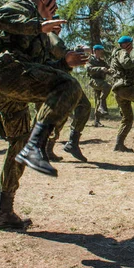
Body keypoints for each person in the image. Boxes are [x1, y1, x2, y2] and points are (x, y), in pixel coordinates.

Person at [0, 0, 87, 230]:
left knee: (18, 144)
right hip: (7, 73)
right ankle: (37, 145)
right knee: (70, 87)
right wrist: (38, 25)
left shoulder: (43, 36)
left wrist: (66, 62)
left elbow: (44, 71)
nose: (56, 6)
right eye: (54, 0)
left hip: (16, 85)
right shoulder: (22, 6)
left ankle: (4, 213)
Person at [42, 17, 91, 163]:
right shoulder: (50, 36)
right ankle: (48, 147)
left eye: (59, 26)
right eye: (56, 24)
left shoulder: (48, 37)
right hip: (55, 81)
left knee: (62, 113)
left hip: (58, 80)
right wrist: (80, 50)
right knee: (58, 114)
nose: (58, 27)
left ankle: (64, 145)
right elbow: (62, 53)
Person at [86, 44, 112, 127]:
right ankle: (102, 104)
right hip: (93, 80)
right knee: (107, 86)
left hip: (100, 81)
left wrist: (112, 71)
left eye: (101, 51)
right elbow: (89, 69)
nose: (101, 53)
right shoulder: (90, 59)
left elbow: (108, 69)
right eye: (100, 51)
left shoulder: (102, 61)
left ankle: (96, 121)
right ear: (95, 51)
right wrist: (100, 68)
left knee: (98, 100)